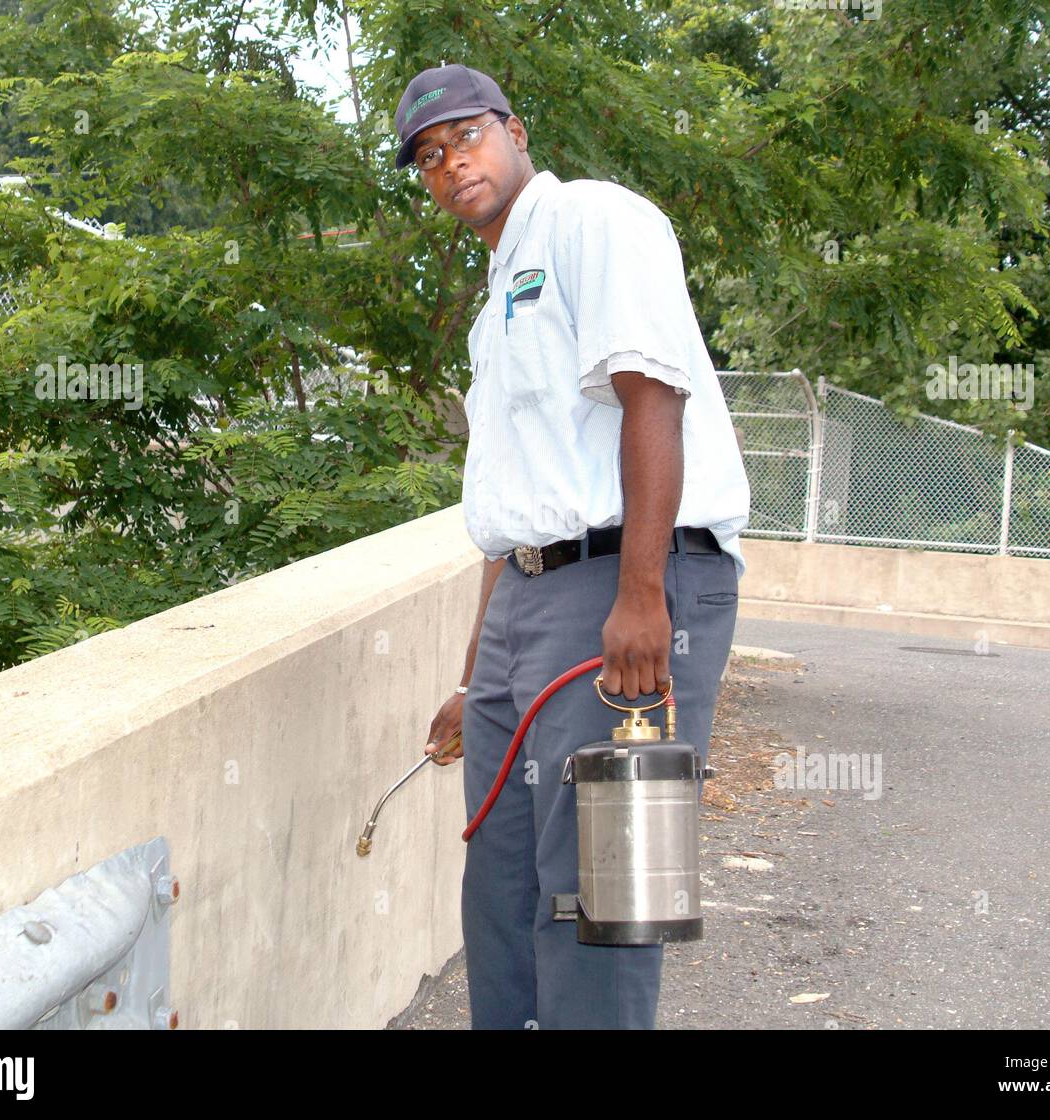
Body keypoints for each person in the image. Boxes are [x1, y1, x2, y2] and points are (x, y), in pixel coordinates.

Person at [395, 63, 750, 1030]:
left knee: (603, 887)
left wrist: (642, 596)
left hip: (626, 576)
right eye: (428, 157)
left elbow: (652, 395)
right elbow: (513, 504)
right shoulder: (495, 300)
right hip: (525, 602)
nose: (449, 163)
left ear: (514, 129)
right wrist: (478, 675)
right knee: (501, 885)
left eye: (464, 136)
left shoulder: (596, 221)